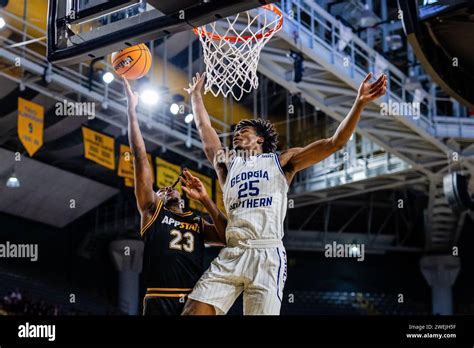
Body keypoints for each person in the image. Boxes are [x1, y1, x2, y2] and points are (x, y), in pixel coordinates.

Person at [182, 71, 387, 315]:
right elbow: (205, 129)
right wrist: (196, 96)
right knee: (193, 311)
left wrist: (359, 102)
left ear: (259, 139)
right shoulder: (227, 164)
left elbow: (335, 143)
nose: (237, 131)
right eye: (236, 129)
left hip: (267, 254)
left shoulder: (282, 160)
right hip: (233, 251)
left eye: (244, 129)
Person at [123, 78, 227, 315]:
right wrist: (131, 110)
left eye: (169, 187)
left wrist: (206, 201)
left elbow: (227, 236)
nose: (167, 189)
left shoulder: (197, 222)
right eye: (160, 190)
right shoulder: (152, 210)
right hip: (159, 298)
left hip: (194, 301)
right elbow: (140, 157)